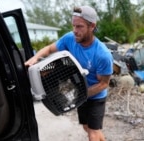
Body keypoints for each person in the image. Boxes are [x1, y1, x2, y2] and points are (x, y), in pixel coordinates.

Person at [25, 5, 113, 141]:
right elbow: (49, 49)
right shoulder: (69, 39)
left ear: (92, 26)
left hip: (96, 97)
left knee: (93, 133)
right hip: (81, 93)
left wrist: (83, 94)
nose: (75, 31)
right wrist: (35, 58)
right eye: (74, 26)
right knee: (86, 127)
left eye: (80, 27)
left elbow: (103, 84)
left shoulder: (103, 55)